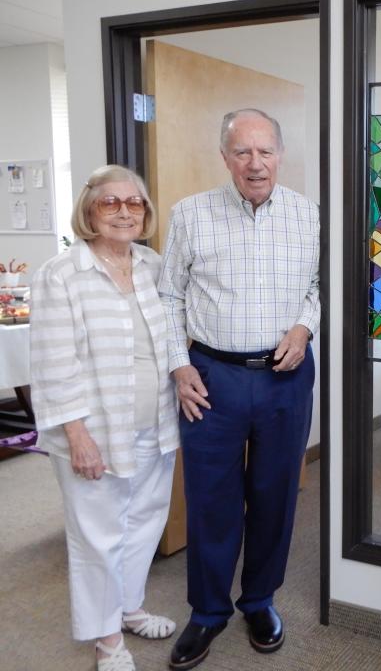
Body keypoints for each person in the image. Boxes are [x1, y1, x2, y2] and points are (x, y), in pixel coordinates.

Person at [159, 108, 320, 670]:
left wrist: (304, 325)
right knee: (211, 499)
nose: (256, 164)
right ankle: (206, 611)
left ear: (281, 153)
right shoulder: (190, 215)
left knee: (276, 495)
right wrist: (180, 368)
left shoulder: (307, 214)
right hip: (210, 377)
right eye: (242, 152)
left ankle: (259, 600)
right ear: (225, 157)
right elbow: (169, 298)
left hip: (285, 375)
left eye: (265, 151)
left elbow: (317, 286)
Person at [30, 165, 179, 671]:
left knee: (143, 522)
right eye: (109, 203)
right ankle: (107, 640)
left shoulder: (152, 265)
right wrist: (77, 436)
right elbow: (53, 362)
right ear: (89, 210)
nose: (123, 212)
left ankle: (129, 607)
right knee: (98, 534)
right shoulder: (61, 273)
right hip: (93, 430)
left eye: (133, 203)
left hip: (155, 422)